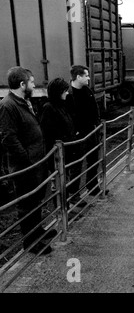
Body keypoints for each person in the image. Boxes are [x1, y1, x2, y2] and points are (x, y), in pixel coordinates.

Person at [0, 66, 57, 255]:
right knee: (27, 205)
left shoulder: (22, 102)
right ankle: (31, 243)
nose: (34, 85)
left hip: (35, 163)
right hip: (25, 167)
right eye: (32, 82)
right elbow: (8, 137)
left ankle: (38, 231)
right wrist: (26, 159)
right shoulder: (8, 106)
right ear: (22, 84)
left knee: (37, 200)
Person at [39, 78, 87, 208]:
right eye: (64, 91)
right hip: (57, 155)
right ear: (58, 92)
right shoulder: (48, 108)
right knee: (60, 184)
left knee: (64, 182)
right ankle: (62, 212)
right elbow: (49, 135)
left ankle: (65, 209)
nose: (67, 94)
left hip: (66, 151)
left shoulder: (61, 105)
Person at [66, 65, 106, 197]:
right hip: (78, 135)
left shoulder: (87, 90)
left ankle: (92, 186)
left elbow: (95, 110)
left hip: (91, 131)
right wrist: (74, 132)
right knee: (77, 164)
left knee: (93, 159)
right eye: (86, 75)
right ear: (78, 77)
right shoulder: (68, 95)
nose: (89, 78)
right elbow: (67, 116)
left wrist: (97, 125)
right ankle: (74, 193)